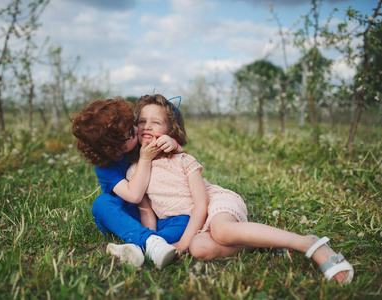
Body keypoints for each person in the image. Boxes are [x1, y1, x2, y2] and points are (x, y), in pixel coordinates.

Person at [126, 94, 354, 283]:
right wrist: (153, 240)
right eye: (142, 121)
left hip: (214, 204)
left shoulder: (182, 159)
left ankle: (308, 243)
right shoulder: (134, 171)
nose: (147, 127)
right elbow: (146, 210)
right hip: (196, 227)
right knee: (200, 249)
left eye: (156, 122)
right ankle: (267, 244)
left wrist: (182, 242)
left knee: (221, 231)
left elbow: (202, 203)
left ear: (170, 130)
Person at [70, 97, 189, 268]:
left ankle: (140, 247)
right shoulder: (106, 168)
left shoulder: (140, 142)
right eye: (132, 133)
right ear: (116, 148)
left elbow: (181, 158)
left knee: (185, 219)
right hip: (125, 219)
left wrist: (174, 144)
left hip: (158, 213)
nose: (136, 129)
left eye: (133, 123)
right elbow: (134, 195)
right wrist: (145, 158)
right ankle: (150, 242)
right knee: (101, 203)